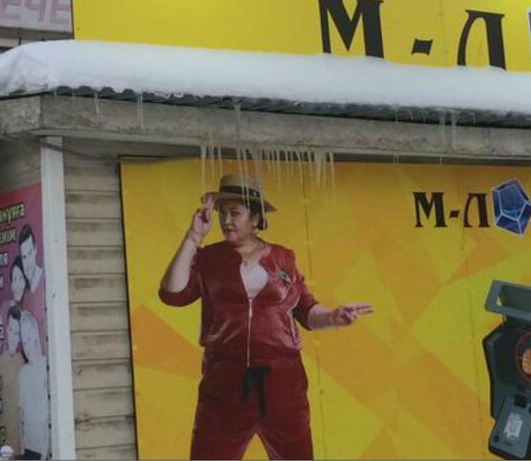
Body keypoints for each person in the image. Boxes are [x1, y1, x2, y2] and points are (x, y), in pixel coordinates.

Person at [159, 174, 374, 460]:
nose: (226, 220)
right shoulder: (209, 259)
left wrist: (333, 317)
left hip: (283, 385)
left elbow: (306, 309)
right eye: (222, 213)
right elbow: (172, 293)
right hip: (224, 384)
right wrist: (193, 237)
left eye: (235, 213)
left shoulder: (283, 258)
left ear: (256, 218)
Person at [0, 306, 25, 457]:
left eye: (17, 333)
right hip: (4, 431)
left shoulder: (22, 361)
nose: (13, 336)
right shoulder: (1, 360)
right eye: (11, 330)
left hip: (18, 433)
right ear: (6, 330)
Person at [17, 310, 50, 460]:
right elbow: (21, 413)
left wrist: (46, 450)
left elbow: (48, 411)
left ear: (36, 335)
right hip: (29, 448)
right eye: (24, 342)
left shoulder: (46, 366)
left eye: (29, 339)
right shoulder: (23, 373)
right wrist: (22, 446)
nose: (27, 346)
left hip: (45, 448)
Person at [18, 225, 43, 294]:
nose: (28, 262)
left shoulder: (44, 279)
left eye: (30, 253)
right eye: (24, 257)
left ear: (35, 249)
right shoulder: (23, 288)